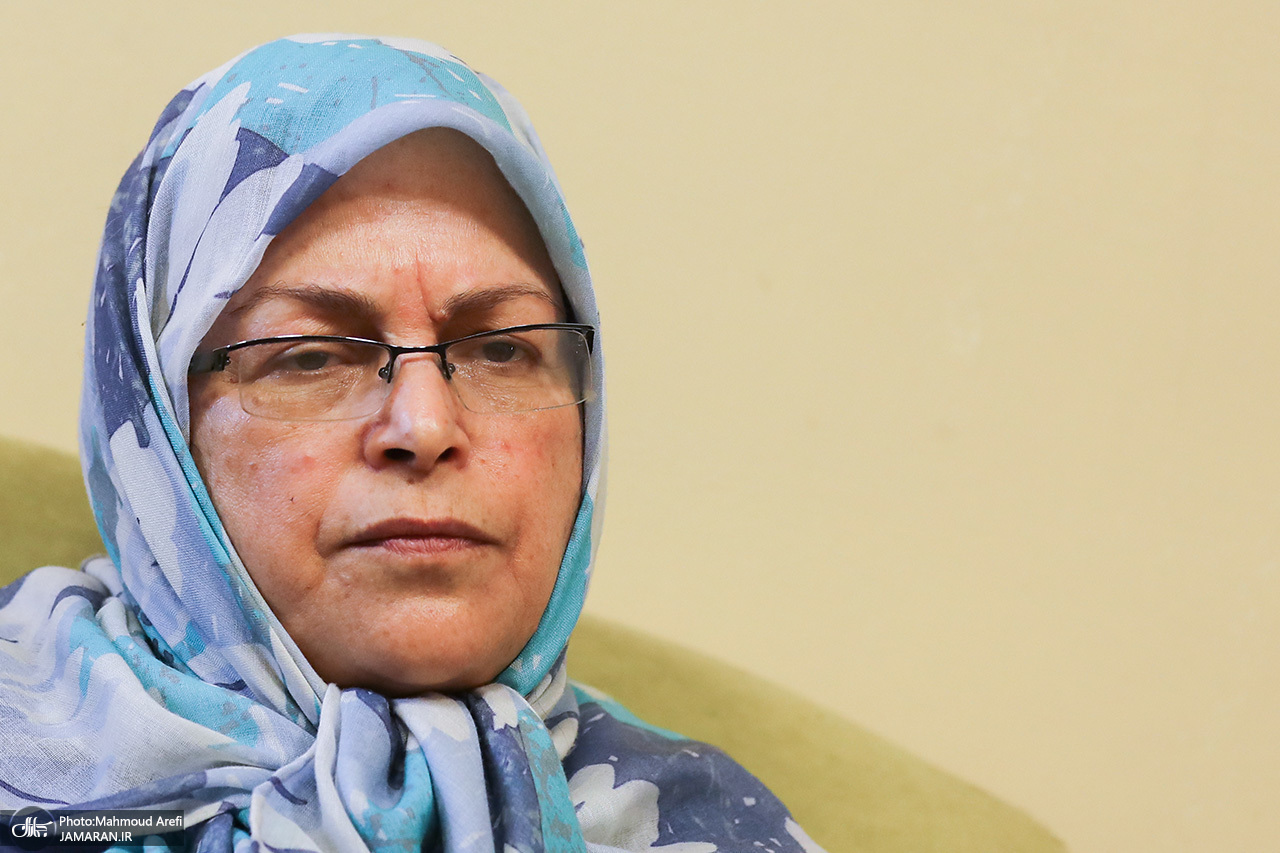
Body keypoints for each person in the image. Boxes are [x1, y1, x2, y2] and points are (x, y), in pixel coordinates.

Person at [0, 34, 825, 852]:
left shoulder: (713, 825)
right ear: (155, 426)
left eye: (501, 348)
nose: (425, 427)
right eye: (310, 355)